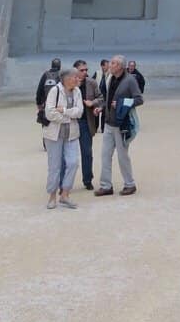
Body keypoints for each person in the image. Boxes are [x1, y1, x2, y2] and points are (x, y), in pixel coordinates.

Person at [93, 54, 144, 197]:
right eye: (111, 62)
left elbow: (139, 99)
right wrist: (101, 107)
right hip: (109, 123)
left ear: (121, 67)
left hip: (122, 125)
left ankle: (130, 184)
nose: (110, 65)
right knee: (105, 155)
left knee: (122, 156)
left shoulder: (130, 80)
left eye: (114, 63)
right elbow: (108, 99)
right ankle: (106, 186)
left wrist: (123, 103)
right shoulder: (110, 78)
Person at [43, 67, 83, 209]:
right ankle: (52, 196)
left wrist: (65, 111)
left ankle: (65, 194)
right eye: (76, 77)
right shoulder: (55, 91)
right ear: (67, 79)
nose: (78, 79)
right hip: (54, 135)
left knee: (73, 163)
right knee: (55, 167)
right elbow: (50, 113)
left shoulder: (77, 91)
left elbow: (80, 112)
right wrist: (68, 118)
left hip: (71, 134)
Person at [73, 59, 101, 190]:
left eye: (86, 70)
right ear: (75, 71)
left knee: (87, 153)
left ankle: (88, 180)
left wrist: (93, 103)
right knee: (69, 154)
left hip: (85, 123)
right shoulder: (68, 83)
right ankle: (65, 183)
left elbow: (101, 98)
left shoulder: (92, 83)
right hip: (70, 123)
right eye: (81, 70)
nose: (85, 72)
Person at [35, 57, 61, 128]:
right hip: (58, 108)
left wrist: (39, 104)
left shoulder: (45, 75)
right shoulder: (61, 75)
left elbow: (39, 91)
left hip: (46, 107)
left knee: (46, 130)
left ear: (51, 65)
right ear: (60, 66)